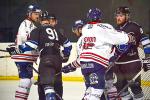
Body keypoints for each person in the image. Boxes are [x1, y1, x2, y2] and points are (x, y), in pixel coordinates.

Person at [62, 8, 135, 100]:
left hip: (86, 66)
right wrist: (128, 38)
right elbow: (116, 38)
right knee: (100, 90)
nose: (75, 31)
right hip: (100, 65)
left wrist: (70, 66)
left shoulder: (83, 36)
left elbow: (83, 57)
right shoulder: (104, 27)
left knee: (91, 90)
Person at [19, 11, 72, 100]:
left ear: (40, 20)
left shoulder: (37, 30)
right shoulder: (56, 31)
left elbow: (32, 45)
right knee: (57, 88)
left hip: (46, 61)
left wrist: (18, 49)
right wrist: (65, 55)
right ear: (48, 20)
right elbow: (68, 45)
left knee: (47, 90)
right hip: (58, 62)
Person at [6, 4, 41, 100]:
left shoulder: (32, 25)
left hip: (28, 57)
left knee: (28, 81)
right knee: (25, 80)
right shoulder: (25, 23)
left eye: (38, 14)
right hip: (24, 56)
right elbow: (25, 38)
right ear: (29, 14)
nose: (37, 16)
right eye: (35, 13)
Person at [113, 6, 145, 100]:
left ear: (127, 16)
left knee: (136, 89)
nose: (118, 18)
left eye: (121, 15)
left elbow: (144, 40)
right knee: (122, 91)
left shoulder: (134, 26)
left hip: (132, 63)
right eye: (117, 15)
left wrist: (147, 56)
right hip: (118, 65)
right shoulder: (115, 29)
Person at [37, 12, 70, 100]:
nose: (51, 22)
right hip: (55, 62)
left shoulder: (56, 32)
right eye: (49, 20)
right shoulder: (54, 32)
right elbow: (68, 45)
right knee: (51, 89)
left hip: (49, 63)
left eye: (52, 20)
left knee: (50, 88)